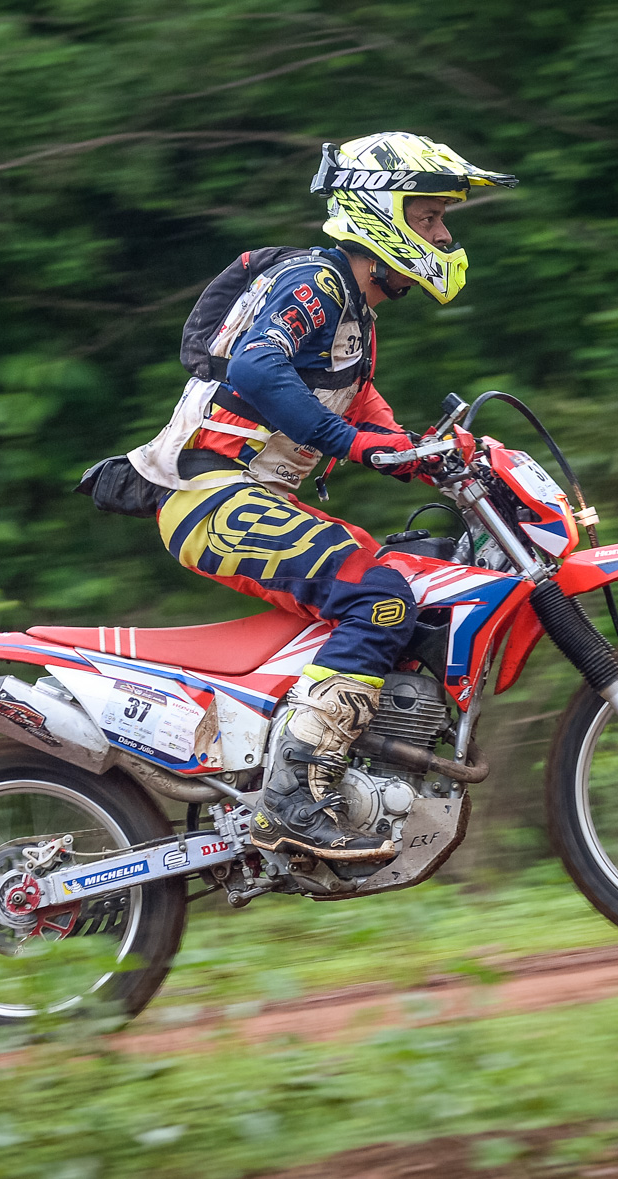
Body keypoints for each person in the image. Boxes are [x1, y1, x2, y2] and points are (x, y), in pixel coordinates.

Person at [128, 131, 516, 861]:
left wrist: (434, 454)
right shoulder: (316, 282)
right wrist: (356, 444)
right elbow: (257, 368)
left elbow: (364, 406)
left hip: (246, 498)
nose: (444, 234)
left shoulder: (354, 316)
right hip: (212, 494)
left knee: (403, 584)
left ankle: (333, 762)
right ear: (382, 214)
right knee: (380, 598)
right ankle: (293, 798)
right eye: (429, 217)